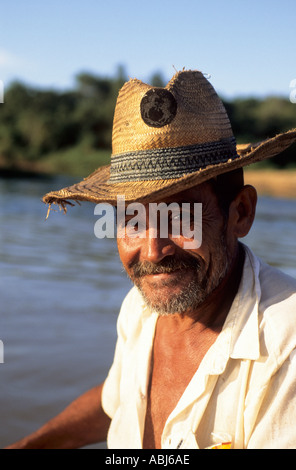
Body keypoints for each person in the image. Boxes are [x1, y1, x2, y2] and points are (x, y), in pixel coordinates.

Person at [7, 70, 296, 449]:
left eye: (180, 216)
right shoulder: (140, 309)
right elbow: (117, 401)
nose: (152, 250)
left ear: (240, 213)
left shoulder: (284, 345)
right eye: (132, 219)